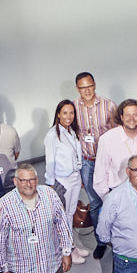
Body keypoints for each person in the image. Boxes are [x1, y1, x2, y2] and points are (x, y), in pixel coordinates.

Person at [0, 162, 74, 273]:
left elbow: (62, 223)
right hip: (23, 268)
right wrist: (4, 269)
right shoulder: (4, 205)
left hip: (51, 262)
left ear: (37, 180)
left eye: (32, 180)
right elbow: (0, 240)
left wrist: (67, 251)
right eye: (23, 180)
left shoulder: (49, 195)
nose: (28, 184)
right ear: (16, 182)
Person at [91, 99, 137, 261]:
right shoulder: (107, 139)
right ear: (121, 117)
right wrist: (109, 200)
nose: (131, 118)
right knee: (122, 242)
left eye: (135, 114)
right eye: (127, 115)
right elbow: (99, 175)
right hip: (120, 196)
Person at [43, 99, 90, 263]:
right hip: (63, 181)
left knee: (71, 214)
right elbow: (50, 162)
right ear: (58, 114)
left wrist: (81, 177)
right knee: (63, 217)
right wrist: (50, 184)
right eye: (65, 113)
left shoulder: (72, 131)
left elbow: (77, 155)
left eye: (71, 113)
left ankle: (71, 245)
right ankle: (67, 250)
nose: (68, 116)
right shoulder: (52, 135)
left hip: (75, 178)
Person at [73, 71, 118, 235]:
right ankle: (101, 239)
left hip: (108, 162)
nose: (87, 90)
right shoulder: (73, 108)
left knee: (113, 200)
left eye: (89, 86)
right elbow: (72, 137)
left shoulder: (109, 105)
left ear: (95, 85)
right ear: (77, 89)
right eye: (82, 87)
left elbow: (117, 134)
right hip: (87, 162)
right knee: (94, 202)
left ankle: (115, 235)